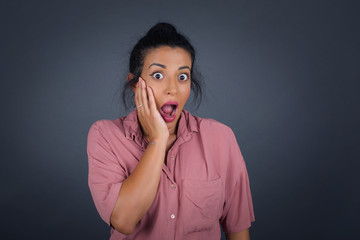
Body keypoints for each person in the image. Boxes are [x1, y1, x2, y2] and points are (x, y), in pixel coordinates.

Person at [87, 22, 255, 240]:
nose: (172, 88)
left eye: (182, 76)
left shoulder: (221, 138)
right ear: (135, 84)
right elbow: (123, 221)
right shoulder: (105, 136)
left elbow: (237, 230)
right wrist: (157, 139)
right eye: (158, 75)